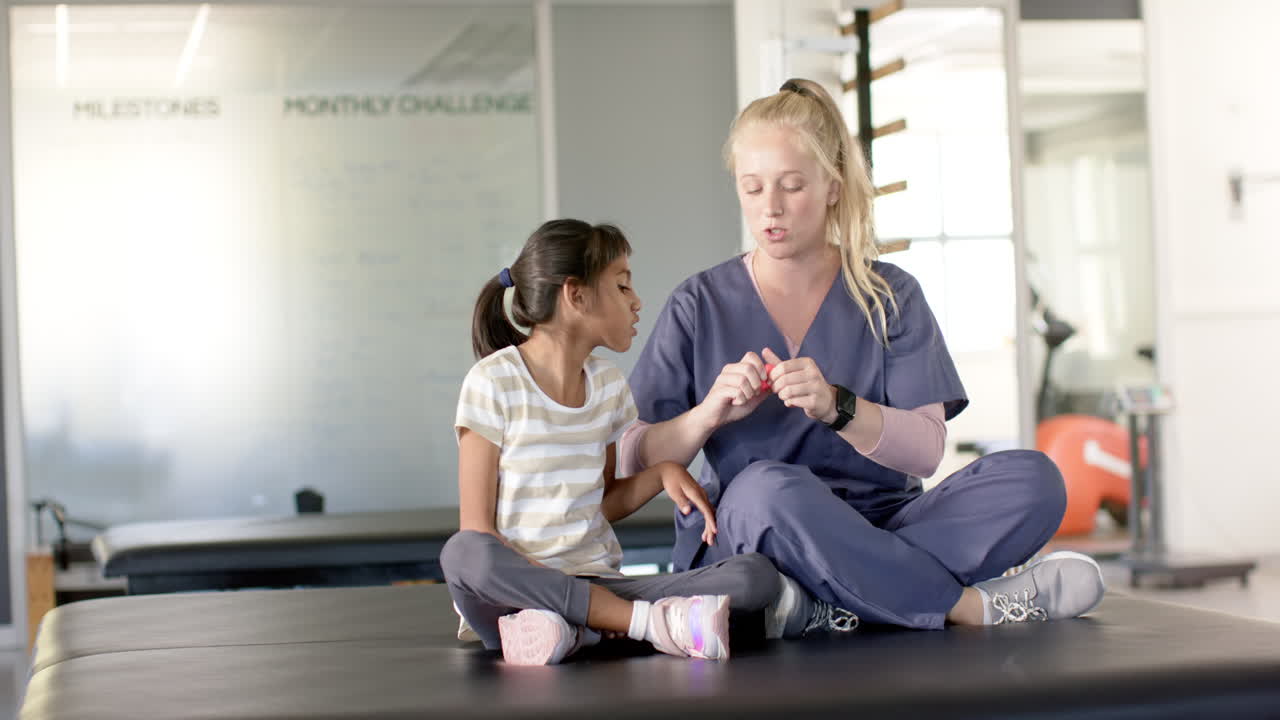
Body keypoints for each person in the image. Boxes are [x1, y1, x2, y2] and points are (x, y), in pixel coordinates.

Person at [619, 79, 1105, 630]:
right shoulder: (699, 303)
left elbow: (926, 451)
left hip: (884, 522)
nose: (770, 207)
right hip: (757, 530)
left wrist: (838, 407)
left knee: (1035, 479)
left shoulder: (891, 295)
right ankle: (967, 606)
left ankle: (827, 602)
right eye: (752, 189)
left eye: (792, 186)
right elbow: (634, 454)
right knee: (764, 488)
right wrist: (709, 415)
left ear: (832, 185)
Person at [441, 219, 852, 667]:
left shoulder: (607, 386)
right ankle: (642, 626)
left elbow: (600, 505)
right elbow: (478, 532)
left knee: (754, 577)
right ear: (575, 295)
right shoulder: (492, 382)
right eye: (622, 287)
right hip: (513, 592)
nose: (637, 303)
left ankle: (570, 629)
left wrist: (662, 473)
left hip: (599, 584)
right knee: (463, 554)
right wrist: (562, 593)